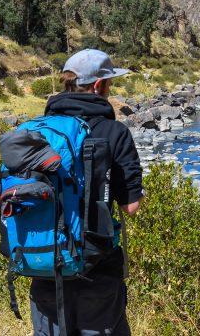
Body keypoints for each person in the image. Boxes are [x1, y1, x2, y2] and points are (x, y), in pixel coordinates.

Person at [29, 49, 144, 336]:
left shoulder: (36, 131)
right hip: (98, 271)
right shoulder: (114, 132)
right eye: (109, 83)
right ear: (97, 86)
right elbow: (131, 207)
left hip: (44, 265)